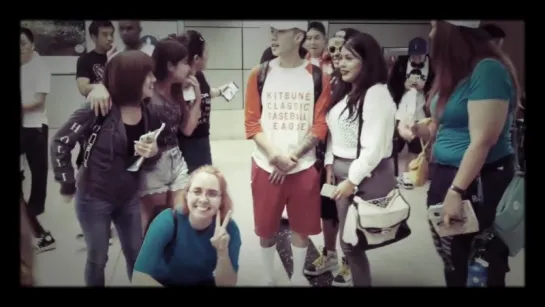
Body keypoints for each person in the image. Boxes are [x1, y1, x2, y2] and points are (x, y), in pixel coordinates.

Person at [400, 20, 522, 287]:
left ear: (452, 31)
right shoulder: (456, 72)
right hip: (448, 176)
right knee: (453, 258)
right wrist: (421, 128)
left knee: (480, 264)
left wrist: (456, 191)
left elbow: (483, 140)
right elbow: (444, 122)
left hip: (477, 180)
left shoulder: (488, 70)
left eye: (434, 26)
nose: (430, 33)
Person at [51, 50, 160, 286]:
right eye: (147, 75)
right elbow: (60, 142)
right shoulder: (98, 108)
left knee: (137, 254)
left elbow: (147, 156)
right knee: (98, 258)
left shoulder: (148, 110)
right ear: (131, 79)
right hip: (93, 197)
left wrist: (152, 153)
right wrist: (67, 182)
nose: (153, 79)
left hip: (129, 197)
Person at [245, 21, 330, 286]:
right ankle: (268, 276)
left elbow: (319, 124)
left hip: (303, 167)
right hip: (265, 166)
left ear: (298, 36)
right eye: (271, 31)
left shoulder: (317, 76)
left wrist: (291, 157)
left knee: (301, 228)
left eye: (279, 31)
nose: (273, 36)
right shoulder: (258, 74)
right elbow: (251, 123)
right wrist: (275, 157)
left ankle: (296, 277)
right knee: (266, 227)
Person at [86, 39, 202, 233]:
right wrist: (100, 87)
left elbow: (187, 129)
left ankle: (172, 260)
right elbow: (118, 92)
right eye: (183, 63)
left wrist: (197, 97)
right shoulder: (146, 91)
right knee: (153, 224)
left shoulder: (176, 92)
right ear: (170, 66)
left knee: (180, 216)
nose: (188, 68)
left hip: (176, 160)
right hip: (150, 163)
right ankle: (144, 261)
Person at [323, 32, 397, 287]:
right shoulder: (347, 90)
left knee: (351, 242)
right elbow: (335, 130)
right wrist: (329, 162)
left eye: (349, 58)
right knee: (350, 240)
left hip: (361, 175)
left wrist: (351, 180)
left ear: (367, 61)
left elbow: (374, 148)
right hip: (342, 171)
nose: (341, 63)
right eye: (340, 57)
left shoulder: (376, 94)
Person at [304, 28, 360, 287]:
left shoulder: (369, 89)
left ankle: (352, 262)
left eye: (345, 52)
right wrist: (327, 161)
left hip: (357, 164)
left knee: (351, 212)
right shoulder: (332, 82)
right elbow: (329, 125)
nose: (338, 56)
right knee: (329, 208)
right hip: (330, 156)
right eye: (336, 50)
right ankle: (330, 255)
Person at [132, 165, 241, 286]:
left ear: (222, 201)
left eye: (212, 193)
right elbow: (139, 277)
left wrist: (222, 252)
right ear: (186, 195)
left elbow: (227, 284)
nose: (203, 199)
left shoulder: (229, 230)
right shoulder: (167, 221)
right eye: (197, 191)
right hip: (161, 282)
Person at [74, 20, 116, 245]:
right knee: (87, 170)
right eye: (105, 35)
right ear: (93, 36)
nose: (110, 39)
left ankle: (105, 224)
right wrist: (100, 85)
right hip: (92, 124)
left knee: (110, 171)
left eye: (112, 34)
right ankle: (92, 222)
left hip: (115, 123)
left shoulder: (117, 57)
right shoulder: (86, 60)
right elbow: (82, 87)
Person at [174, 31, 232, 173]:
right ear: (196, 58)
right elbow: (187, 128)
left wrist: (220, 91)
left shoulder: (199, 76)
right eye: (206, 52)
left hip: (203, 141)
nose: (208, 56)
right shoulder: (185, 83)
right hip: (189, 146)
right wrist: (198, 97)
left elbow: (205, 93)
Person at [20, 27, 56, 253]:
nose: (20, 48)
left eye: (22, 43)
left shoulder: (40, 67)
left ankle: (35, 213)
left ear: (32, 45)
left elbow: (39, 102)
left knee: (39, 172)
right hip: (23, 126)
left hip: (35, 127)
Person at [388, 37, 435, 186]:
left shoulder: (433, 66)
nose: (416, 58)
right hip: (401, 112)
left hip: (422, 113)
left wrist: (425, 86)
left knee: (418, 148)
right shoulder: (401, 64)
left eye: (420, 55)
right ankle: (396, 177)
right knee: (396, 146)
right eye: (413, 55)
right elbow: (391, 86)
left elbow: (438, 88)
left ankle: (416, 177)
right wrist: (404, 86)